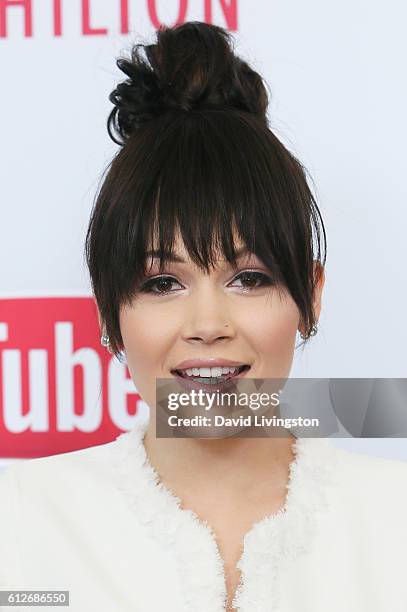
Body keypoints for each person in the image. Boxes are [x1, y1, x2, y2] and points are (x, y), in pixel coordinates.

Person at [1, 20, 407, 612]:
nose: (208, 322)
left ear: (311, 293)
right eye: (163, 282)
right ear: (109, 307)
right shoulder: (19, 526)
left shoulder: (393, 522)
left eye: (249, 278)